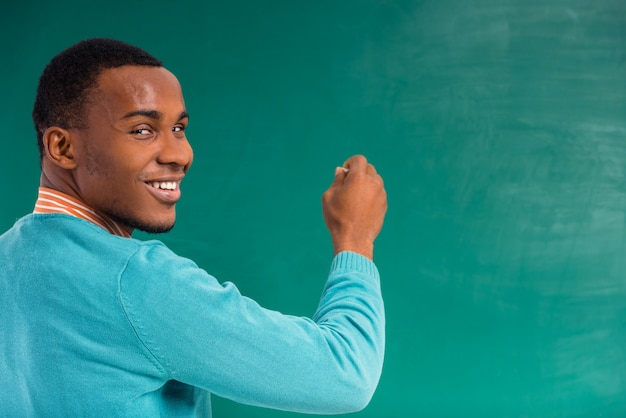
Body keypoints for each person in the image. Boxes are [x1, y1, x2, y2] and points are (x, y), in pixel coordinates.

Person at [0, 38, 387, 417]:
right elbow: (345, 375)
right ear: (63, 148)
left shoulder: (7, 258)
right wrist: (354, 238)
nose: (180, 154)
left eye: (179, 128)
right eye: (142, 130)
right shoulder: (136, 282)